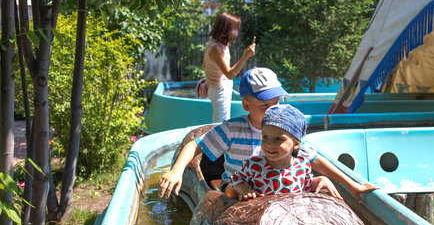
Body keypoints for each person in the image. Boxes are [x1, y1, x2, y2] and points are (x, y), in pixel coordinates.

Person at [159, 67, 378, 201]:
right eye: (265, 105)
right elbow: (196, 145)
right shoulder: (233, 129)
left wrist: (353, 185)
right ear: (246, 104)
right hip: (238, 184)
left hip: (274, 187)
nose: (273, 110)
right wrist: (177, 171)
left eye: (276, 103)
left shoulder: (285, 130)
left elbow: (316, 160)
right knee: (233, 191)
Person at [230, 104, 315, 200]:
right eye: (265, 137)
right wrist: (245, 190)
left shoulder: (303, 165)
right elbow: (236, 180)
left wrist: (321, 180)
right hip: (263, 213)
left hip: (292, 212)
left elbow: (308, 193)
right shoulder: (253, 165)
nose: (269, 144)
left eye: (278, 139)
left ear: (296, 144)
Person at [203, 12, 256, 123]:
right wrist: (245, 55)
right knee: (220, 125)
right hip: (219, 91)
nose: (236, 33)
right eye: (235, 29)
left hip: (221, 89)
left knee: (222, 123)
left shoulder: (219, 44)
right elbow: (230, 74)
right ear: (227, 29)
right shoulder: (215, 48)